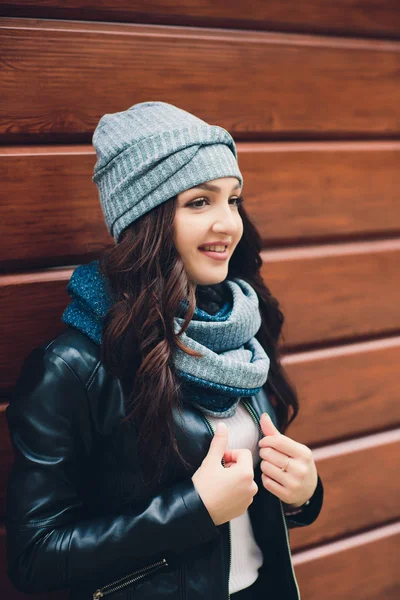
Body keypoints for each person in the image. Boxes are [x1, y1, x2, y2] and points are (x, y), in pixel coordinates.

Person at [5, 101, 323, 600]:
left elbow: (248, 512)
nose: (228, 224)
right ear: (145, 216)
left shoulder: (239, 330)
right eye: (200, 202)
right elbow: (36, 557)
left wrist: (304, 495)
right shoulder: (74, 368)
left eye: (233, 199)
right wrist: (193, 509)